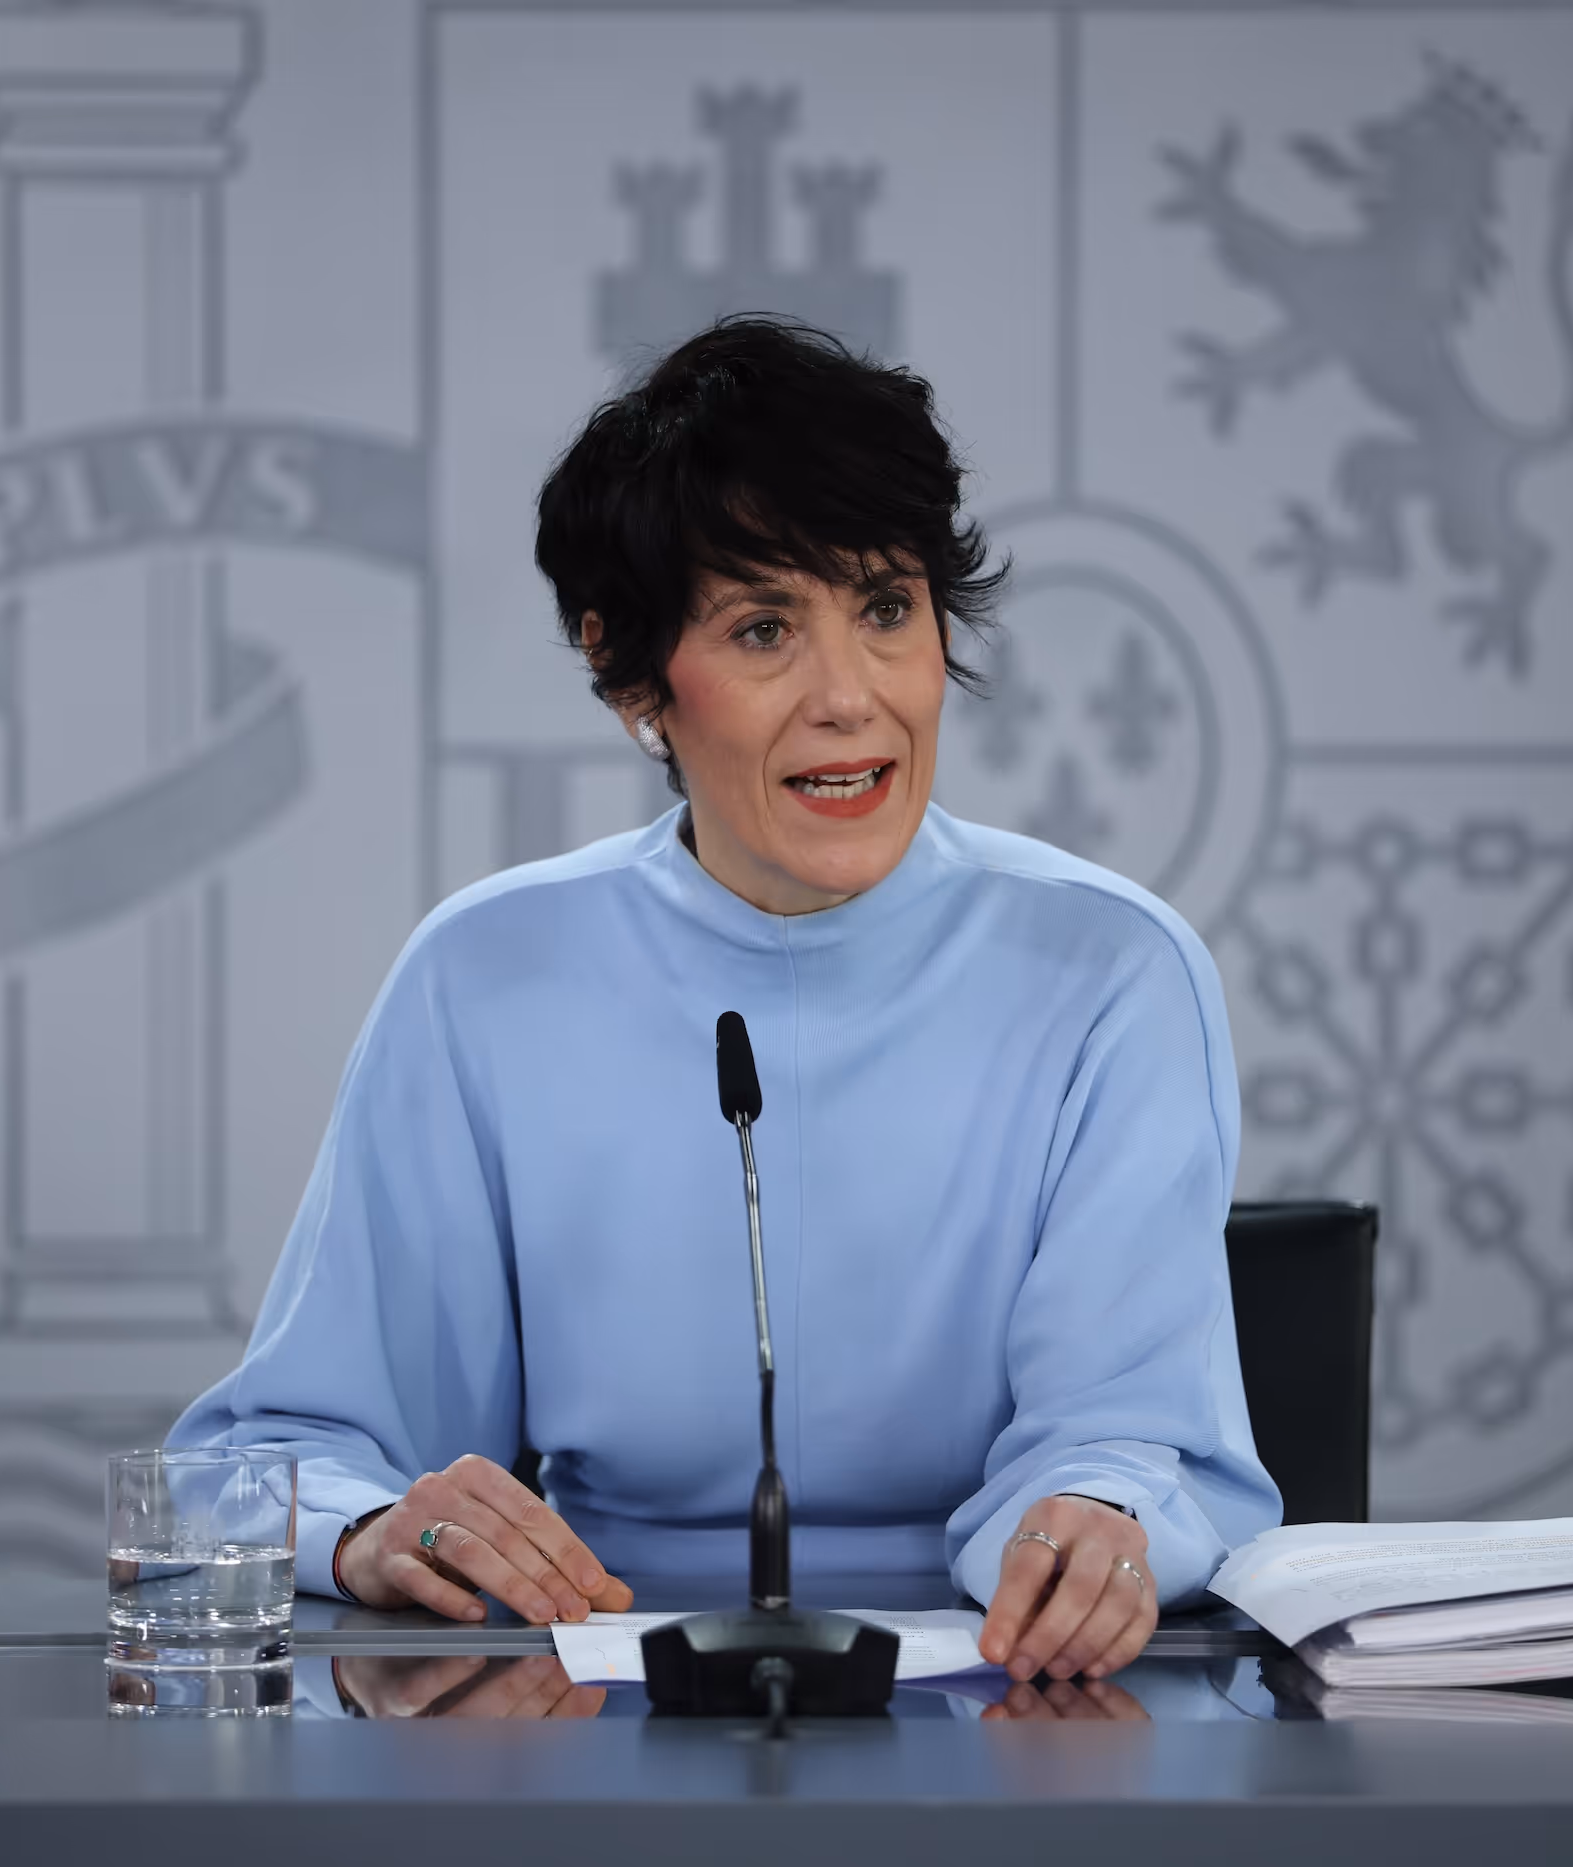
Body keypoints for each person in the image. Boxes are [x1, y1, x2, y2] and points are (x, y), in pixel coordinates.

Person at [173, 317, 1278, 1686]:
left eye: (887, 608)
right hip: (586, 1710)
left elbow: (1135, 1442)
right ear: (633, 676)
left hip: (1007, 1705)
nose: (850, 699)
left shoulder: (1113, 969)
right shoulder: (486, 976)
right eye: (764, 629)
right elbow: (265, 1461)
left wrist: (1098, 1519)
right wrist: (370, 1530)